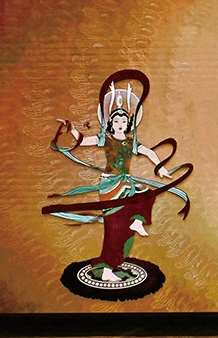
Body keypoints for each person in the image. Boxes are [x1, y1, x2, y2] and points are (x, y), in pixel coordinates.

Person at [54, 80, 171, 282]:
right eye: (116, 120)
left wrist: (161, 167)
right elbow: (82, 141)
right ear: (110, 122)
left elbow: (149, 152)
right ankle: (106, 268)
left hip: (126, 183)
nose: (120, 124)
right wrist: (71, 128)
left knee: (144, 197)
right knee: (114, 226)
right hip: (111, 185)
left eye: (123, 121)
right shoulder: (105, 138)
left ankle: (134, 227)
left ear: (128, 124)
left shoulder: (130, 142)